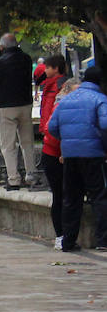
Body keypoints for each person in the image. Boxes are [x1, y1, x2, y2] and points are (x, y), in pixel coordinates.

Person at [47, 67, 107, 252]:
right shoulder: (100, 99)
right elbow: (105, 125)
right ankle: (103, 240)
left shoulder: (66, 100)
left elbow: (52, 127)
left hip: (70, 155)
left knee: (71, 198)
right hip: (93, 154)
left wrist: (67, 140)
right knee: (99, 196)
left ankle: (68, 241)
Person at [0, 33, 36, 190]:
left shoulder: (0, 62)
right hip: (25, 104)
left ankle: (14, 179)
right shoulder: (26, 59)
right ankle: (31, 175)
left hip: (7, 106)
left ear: (2, 46)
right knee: (27, 142)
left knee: (8, 145)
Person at [39, 55, 69, 250]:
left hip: (56, 146)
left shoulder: (58, 87)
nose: (44, 70)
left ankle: (65, 235)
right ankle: (62, 235)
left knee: (64, 194)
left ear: (56, 68)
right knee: (60, 194)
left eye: (47, 67)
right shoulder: (49, 86)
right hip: (52, 147)